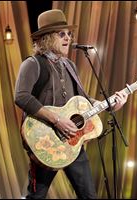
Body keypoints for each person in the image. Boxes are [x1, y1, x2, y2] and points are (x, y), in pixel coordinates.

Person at [14, 9, 128, 199]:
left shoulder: (69, 65)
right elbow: (22, 97)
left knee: (89, 195)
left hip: (72, 142)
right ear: (47, 38)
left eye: (69, 33)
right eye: (62, 34)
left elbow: (81, 99)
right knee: (37, 196)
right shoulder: (33, 63)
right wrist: (57, 120)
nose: (68, 38)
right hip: (45, 141)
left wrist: (108, 104)